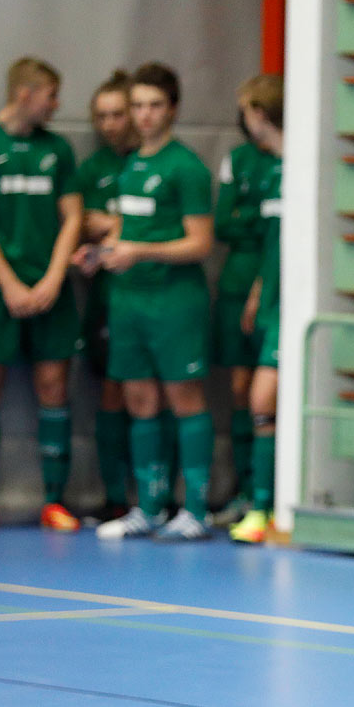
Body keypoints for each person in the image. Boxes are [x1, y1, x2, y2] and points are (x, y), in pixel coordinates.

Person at [87, 62, 216, 541]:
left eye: (153, 105)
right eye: (137, 105)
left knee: (185, 397)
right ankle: (149, 508)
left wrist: (139, 251)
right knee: (138, 398)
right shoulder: (129, 165)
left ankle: (198, 511)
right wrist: (100, 252)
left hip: (174, 301)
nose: (143, 115)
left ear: (173, 109)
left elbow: (200, 242)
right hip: (128, 300)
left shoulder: (187, 168)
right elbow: (126, 230)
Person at [0, 57, 82, 532]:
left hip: (50, 289)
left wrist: (52, 278)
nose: (56, 103)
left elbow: (72, 216)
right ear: (26, 93)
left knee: (54, 385)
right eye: (51, 94)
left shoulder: (59, 149)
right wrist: (8, 283)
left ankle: (55, 500)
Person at [71, 70, 139, 525]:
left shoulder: (155, 162)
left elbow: (148, 228)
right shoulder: (91, 170)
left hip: (154, 295)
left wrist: (114, 226)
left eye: (118, 114)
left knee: (157, 394)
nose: (110, 124)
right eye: (102, 116)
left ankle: (158, 495)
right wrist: (108, 226)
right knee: (112, 391)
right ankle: (117, 495)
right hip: (106, 297)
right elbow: (79, 223)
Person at [209, 82, 276, 526]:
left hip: (271, 281)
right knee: (238, 390)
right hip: (237, 284)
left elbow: (251, 222)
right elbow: (224, 224)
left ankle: (265, 497)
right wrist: (251, 221)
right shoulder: (237, 160)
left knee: (266, 394)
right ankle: (243, 489)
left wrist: (249, 220)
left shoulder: (287, 159)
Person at [227, 75, 283, 545]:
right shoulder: (268, 171)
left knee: (262, 399)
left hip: (292, 307)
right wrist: (256, 292)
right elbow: (272, 245)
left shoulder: (299, 168)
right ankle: (258, 504)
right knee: (257, 400)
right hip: (268, 300)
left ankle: (265, 507)